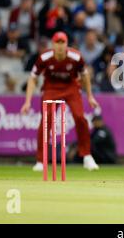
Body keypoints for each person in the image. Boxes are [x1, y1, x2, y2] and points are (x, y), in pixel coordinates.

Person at [20, 31, 100, 171]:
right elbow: (32, 78)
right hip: (51, 88)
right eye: (57, 42)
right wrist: (27, 101)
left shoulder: (75, 57)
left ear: (67, 44)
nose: (60, 46)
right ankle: (41, 160)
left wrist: (90, 96)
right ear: (53, 44)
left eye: (63, 42)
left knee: (80, 117)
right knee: (47, 120)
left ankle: (87, 156)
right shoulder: (45, 57)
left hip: (71, 87)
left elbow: (85, 76)